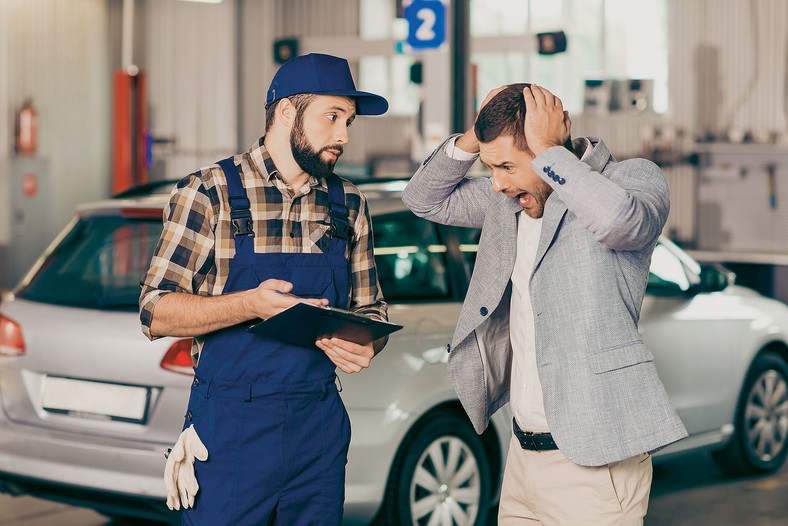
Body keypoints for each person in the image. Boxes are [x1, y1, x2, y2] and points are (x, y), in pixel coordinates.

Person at [402, 83, 687, 525]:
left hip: (595, 464)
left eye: (507, 166)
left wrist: (549, 151)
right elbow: (422, 199)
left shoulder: (631, 179)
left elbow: (620, 224)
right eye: (490, 167)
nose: (496, 182)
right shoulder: (508, 203)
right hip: (522, 459)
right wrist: (474, 136)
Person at [139, 53, 390, 525]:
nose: (344, 136)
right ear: (287, 113)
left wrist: (366, 342)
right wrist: (250, 304)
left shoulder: (349, 203)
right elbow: (155, 311)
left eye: (349, 121)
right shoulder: (209, 192)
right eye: (332, 117)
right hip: (231, 428)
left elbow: (371, 310)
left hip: (317, 425)